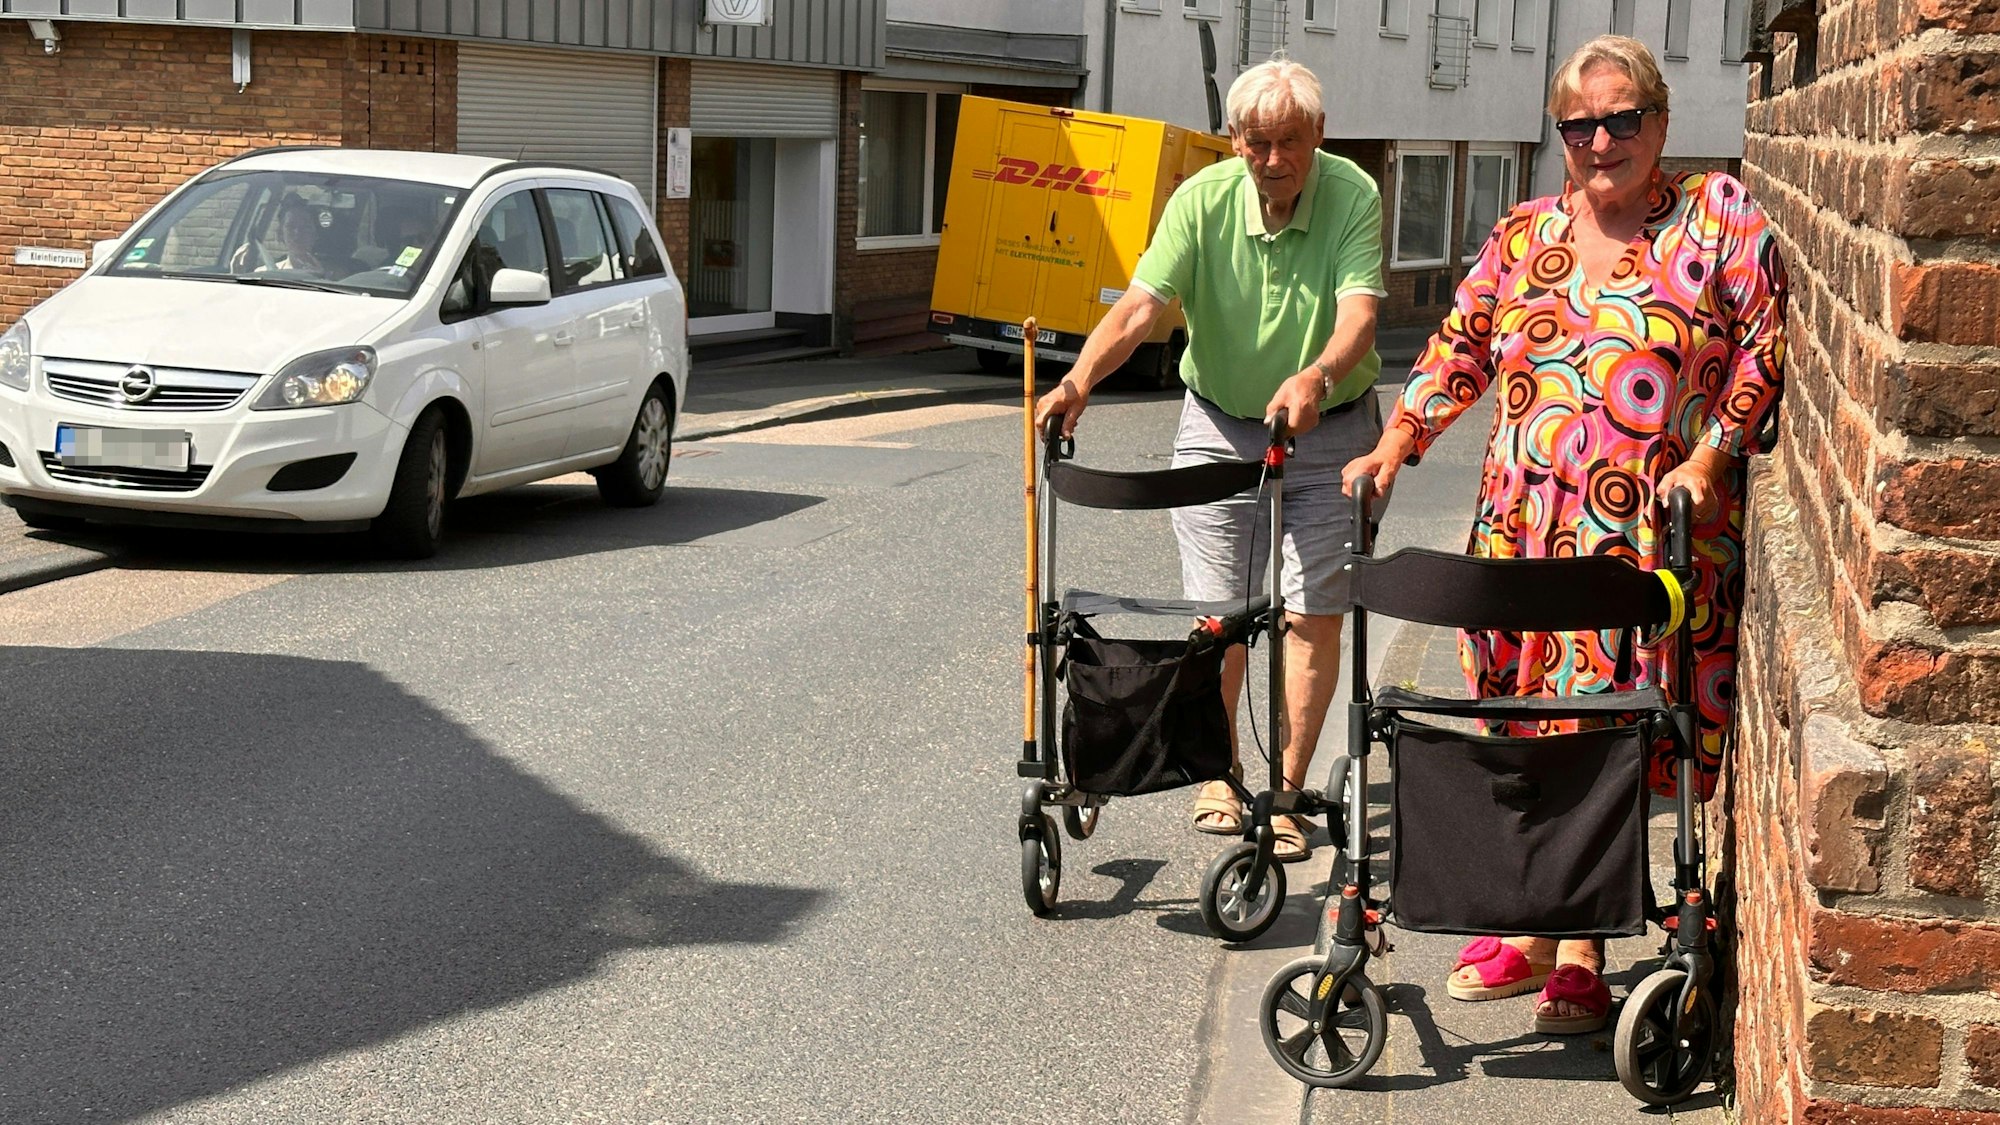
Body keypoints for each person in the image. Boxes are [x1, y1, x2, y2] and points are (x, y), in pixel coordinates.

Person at [1341, 35, 1786, 1034]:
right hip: (1522, 534)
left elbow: (1763, 343)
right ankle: (1533, 921)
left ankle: (1580, 948)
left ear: (1659, 124)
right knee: (1523, 726)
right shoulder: (1523, 233)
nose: (1598, 140)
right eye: (1576, 124)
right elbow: (1456, 345)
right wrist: (1397, 439)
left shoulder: (1715, 218)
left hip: (1642, 549)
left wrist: (1710, 456)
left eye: (1619, 119)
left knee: (1603, 731)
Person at [1035, 58, 1388, 864]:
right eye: (1256, 142)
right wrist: (1080, 379)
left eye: (1288, 141)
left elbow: (1361, 313)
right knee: (1218, 614)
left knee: (1312, 612)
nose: (1272, 159)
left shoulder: (1353, 195)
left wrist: (1317, 374)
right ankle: (1219, 773)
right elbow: (1143, 304)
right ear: (1234, 141)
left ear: (1318, 136)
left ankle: (1288, 793)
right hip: (1220, 420)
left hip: (1329, 427)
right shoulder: (1200, 200)